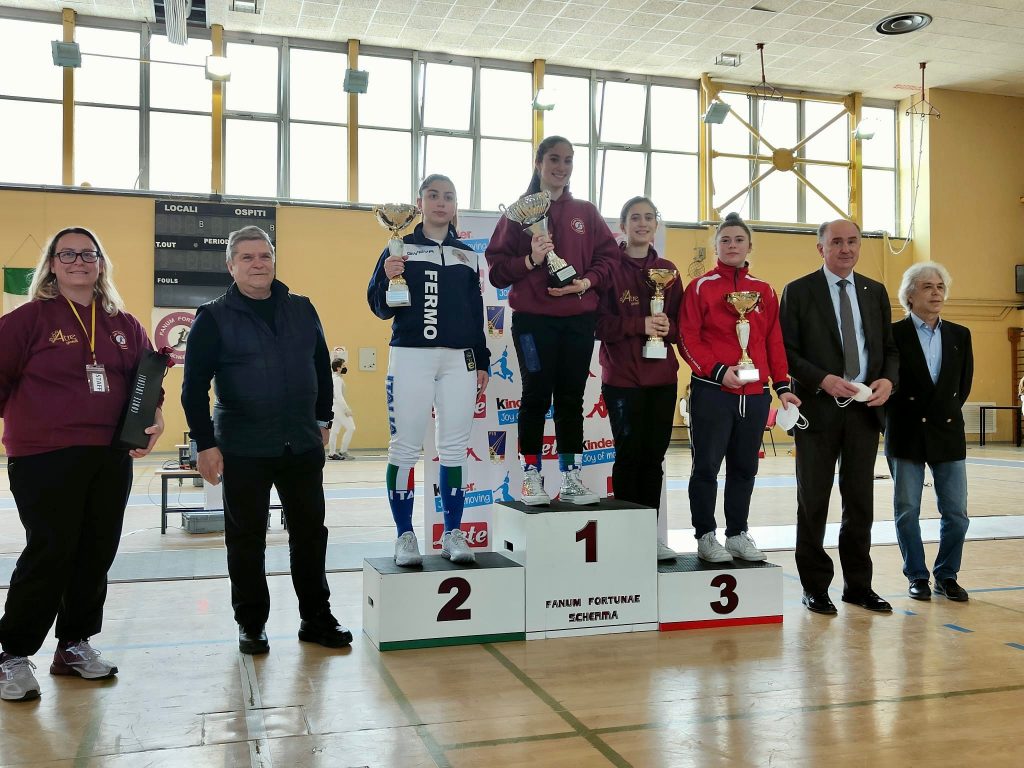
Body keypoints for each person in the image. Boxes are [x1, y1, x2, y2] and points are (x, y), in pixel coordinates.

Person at [0, 227, 164, 702]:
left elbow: (145, 382)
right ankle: (12, 653)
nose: (78, 261)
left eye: (87, 254)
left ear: (100, 263)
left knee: (96, 551)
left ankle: (73, 645)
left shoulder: (123, 324)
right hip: (44, 455)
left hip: (109, 454)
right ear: (52, 264)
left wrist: (154, 415)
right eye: (67, 254)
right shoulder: (28, 320)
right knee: (52, 550)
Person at [182, 225, 351, 655]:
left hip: (301, 444)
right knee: (246, 539)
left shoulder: (302, 308)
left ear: (274, 260)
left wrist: (323, 419)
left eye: (265, 256)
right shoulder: (213, 317)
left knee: (310, 535)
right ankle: (251, 623)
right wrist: (205, 444)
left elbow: (321, 366)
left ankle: (316, 617)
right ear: (231, 266)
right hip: (243, 447)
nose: (258, 264)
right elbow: (193, 388)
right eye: (247, 257)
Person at [485, 135, 620, 506]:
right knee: (535, 396)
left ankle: (571, 477)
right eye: (554, 159)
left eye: (568, 160)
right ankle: (531, 477)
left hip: (578, 321)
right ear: (538, 163)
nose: (561, 167)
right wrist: (529, 260)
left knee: (571, 399)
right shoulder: (517, 214)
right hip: (533, 323)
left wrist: (586, 282)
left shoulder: (586, 212)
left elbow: (609, 259)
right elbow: (496, 273)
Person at [368, 174, 490, 567]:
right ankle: (405, 535)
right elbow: (379, 306)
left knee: (453, 448)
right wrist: (387, 276)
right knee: (404, 447)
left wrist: (482, 360)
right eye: (433, 195)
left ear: (455, 205)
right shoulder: (399, 247)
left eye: (448, 196)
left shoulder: (467, 255)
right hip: (411, 355)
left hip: (459, 360)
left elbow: (475, 313)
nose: (441, 202)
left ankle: (453, 532)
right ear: (419, 203)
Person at [779, 219, 899, 615]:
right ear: (821, 248)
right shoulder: (798, 291)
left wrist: (887, 381)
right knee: (813, 501)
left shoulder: (875, 291)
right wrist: (822, 379)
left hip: (864, 412)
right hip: (817, 410)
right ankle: (815, 587)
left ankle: (858, 586)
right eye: (836, 242)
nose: (845, 249)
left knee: (860, 503)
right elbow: (786, 352)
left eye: (852, 241)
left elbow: (889, 349)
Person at [678, 212, 799, 563]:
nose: (732, 245)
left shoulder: (764, 290)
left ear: (749, 246)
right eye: (725, 240)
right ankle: (705, 536)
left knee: (745, 468)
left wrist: (782, 385)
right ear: (716, 246)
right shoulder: (700, 287)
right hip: (712, 392)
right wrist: (718, 372)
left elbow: (773, 340)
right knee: (706, 468)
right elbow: (687, 338)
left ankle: (737, 534)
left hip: (755, 395)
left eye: (739, 240)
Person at [596, 197, 682, 561]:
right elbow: (597, 324)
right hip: (622, 380)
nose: (642, 223)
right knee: (629, 457)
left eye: (649, 217)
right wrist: (639, 324)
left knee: (654, 459)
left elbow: (680, 327)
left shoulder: (668, 270)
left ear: (656, 225)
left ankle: (649, 536)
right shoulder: (607, 268)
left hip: (662, 379)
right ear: (622, 225)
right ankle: (626, 538)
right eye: (635, 218)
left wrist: (665, 327)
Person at [886, 262, 973, 602]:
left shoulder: (960, 335)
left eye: (940, 286)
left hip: (947, 432)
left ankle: (947, 575)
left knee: (957, 514)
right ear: (909, 295)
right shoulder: (892, 334)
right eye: (927, 287)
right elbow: (885, 382)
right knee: (908, 511)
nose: (936, 292)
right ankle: (917, 575)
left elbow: (962, 386)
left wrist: (940, 413)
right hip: (906, 431)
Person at [327, 357, 356, 460]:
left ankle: (332, 453)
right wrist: (346, 409)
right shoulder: (337, 380)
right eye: (343, 366)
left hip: (334, 407)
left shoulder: (333, 378)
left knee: (334, 431)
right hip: (338, 407)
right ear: (338, 368)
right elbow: (338, 396)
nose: (345, 367)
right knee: (351, 427)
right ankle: (343, 451)